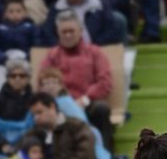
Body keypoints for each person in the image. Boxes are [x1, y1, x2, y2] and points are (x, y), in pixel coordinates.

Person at [41, 10, 115, 148]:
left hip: (87, 103)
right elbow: (42, 82)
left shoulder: (94, 52)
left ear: (81, 31)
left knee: (102, 109)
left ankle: (105, 153)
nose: (68, 35)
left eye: (71, 31)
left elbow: (104, 82)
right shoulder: (52, 56)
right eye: (64, 32)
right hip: (59, 106)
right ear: (58, 33)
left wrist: (85, 99)